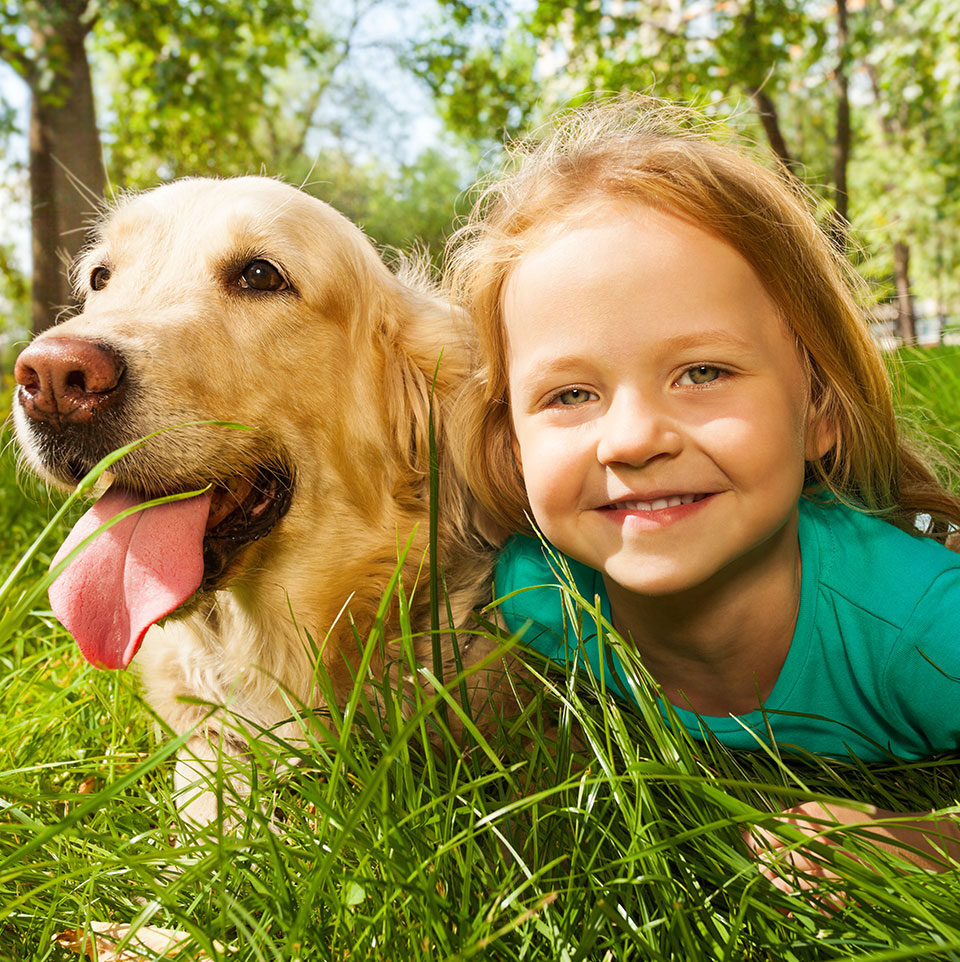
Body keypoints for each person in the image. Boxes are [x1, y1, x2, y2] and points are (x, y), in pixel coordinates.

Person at [445, 96, 960, 881]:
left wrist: (928, 847)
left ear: (818, 408)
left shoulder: (923, 628)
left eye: (703, 372)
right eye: (571, 395)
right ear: (510, 448)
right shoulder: (532, 599)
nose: (632, 438)